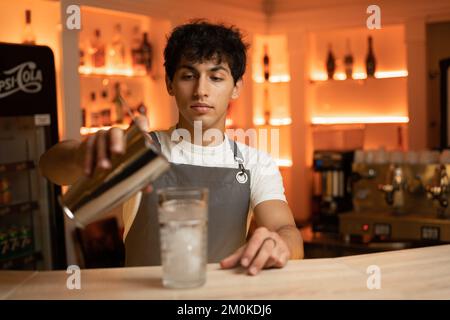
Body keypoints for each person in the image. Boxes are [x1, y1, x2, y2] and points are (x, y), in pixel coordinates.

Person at [39, 20, 304, 276]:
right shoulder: (140, 150)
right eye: (188, 76)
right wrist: (81, 155)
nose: (201, 90)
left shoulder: (256, 162)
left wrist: (280, 244)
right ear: (169, 83)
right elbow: (50, 167)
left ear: (236, 87)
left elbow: (286, 230)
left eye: (216, 78)